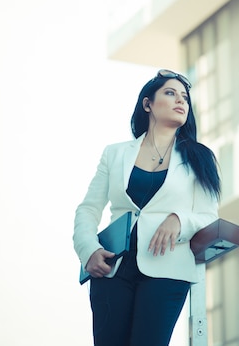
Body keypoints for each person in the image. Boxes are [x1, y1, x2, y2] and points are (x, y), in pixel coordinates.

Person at [73, 69, 221, 346]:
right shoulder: (115, 153)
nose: (181, 101)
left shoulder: (200, 158)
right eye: (170, 93)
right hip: (112, 270)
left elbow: (209, 216)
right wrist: (88, 250)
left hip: (167, 271)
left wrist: (179, 220)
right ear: (147, 104)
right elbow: (88, 209)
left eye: (185, 98)